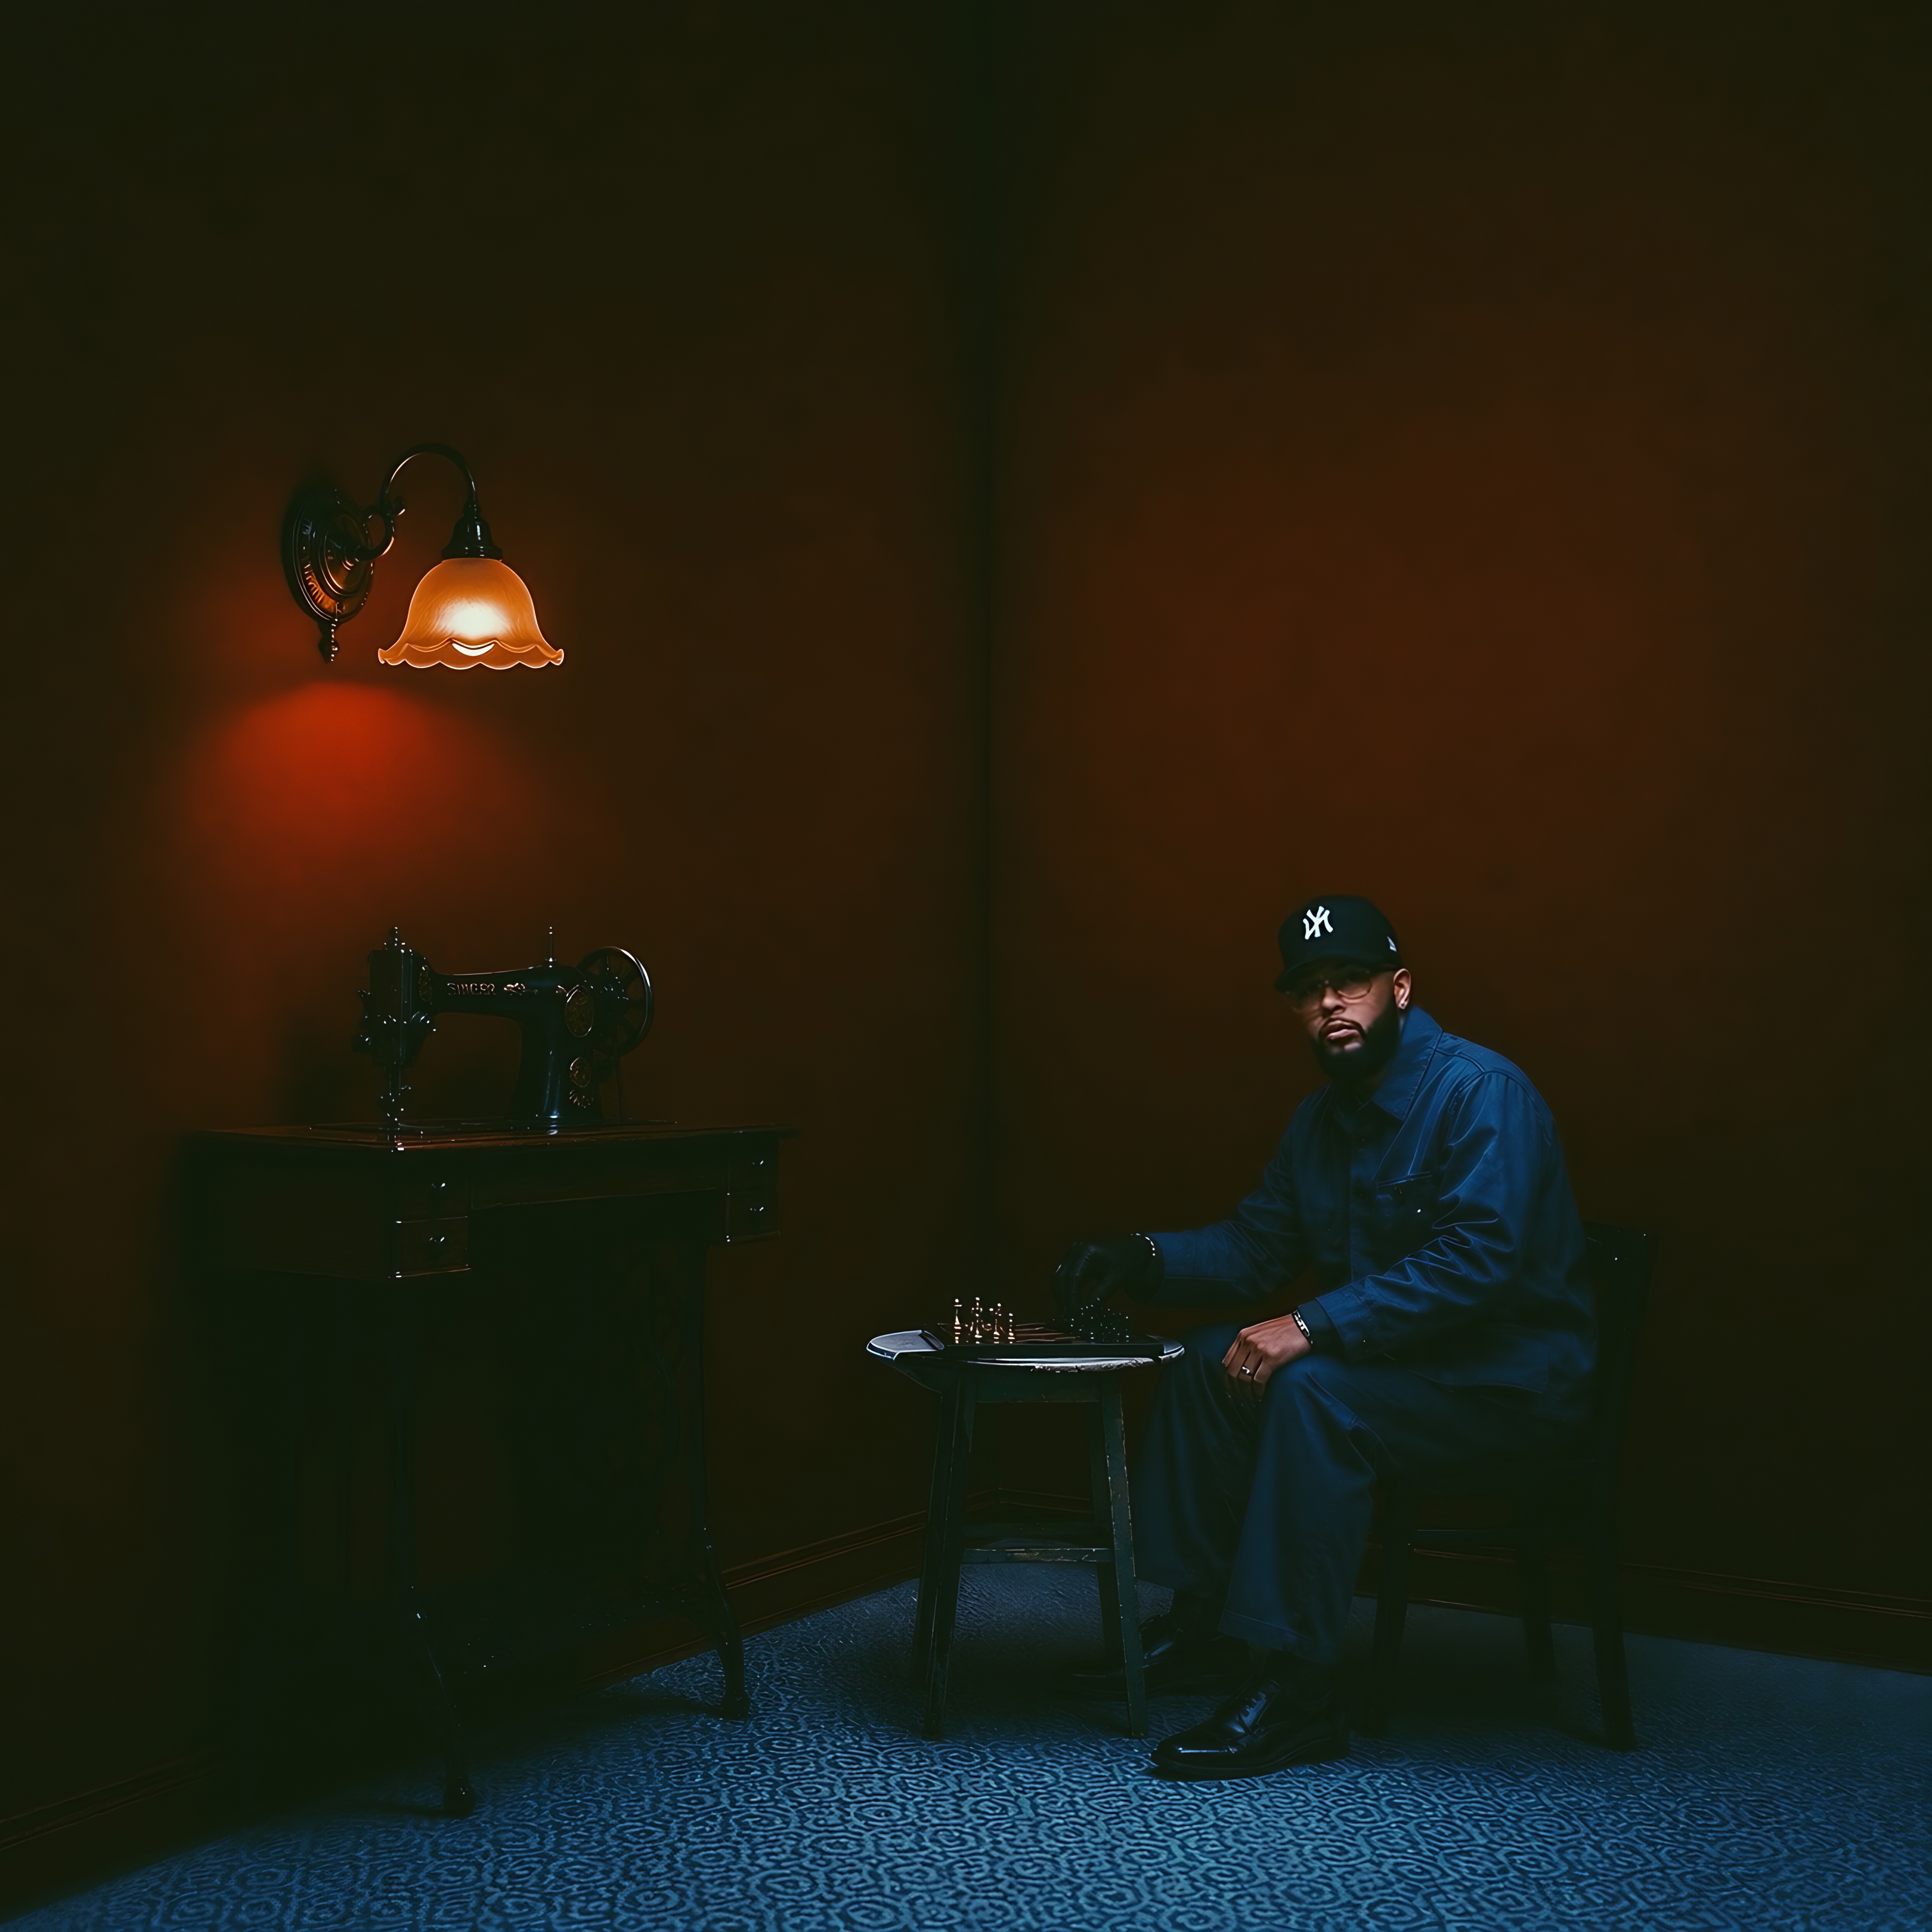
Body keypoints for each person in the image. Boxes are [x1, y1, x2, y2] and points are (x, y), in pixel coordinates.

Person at [1055, 895, 1595, 1779]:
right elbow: (1253, 1247)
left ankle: (1300, 1690)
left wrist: (1314, 1323)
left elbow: (1479, 1260)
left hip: (1506, 1389)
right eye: (1310, 991)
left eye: (1351, 981)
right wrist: (1141, 1257)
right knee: (1203, 1361)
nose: (1331, 1004)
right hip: (1403, 1375)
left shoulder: (1481, 1092)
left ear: (1402, 988)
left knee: (1311, 1392)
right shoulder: (1323, 1118)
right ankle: (1207, 1627)